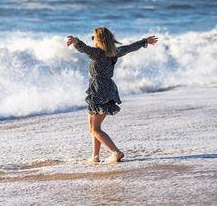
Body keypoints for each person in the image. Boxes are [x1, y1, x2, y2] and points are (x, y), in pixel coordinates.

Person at [67, 27, 158, 163]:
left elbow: (84, 48)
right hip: (108, 88)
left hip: (98, 90)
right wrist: (144, 41)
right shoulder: (114, 52)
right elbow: (129, 47)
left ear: (99, 39)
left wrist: (75, 41)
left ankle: (116, 152)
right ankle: (95, 156)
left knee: (94, 129)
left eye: (94, 37)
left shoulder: (97, 53)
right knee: (94, 128)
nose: (93, 39)